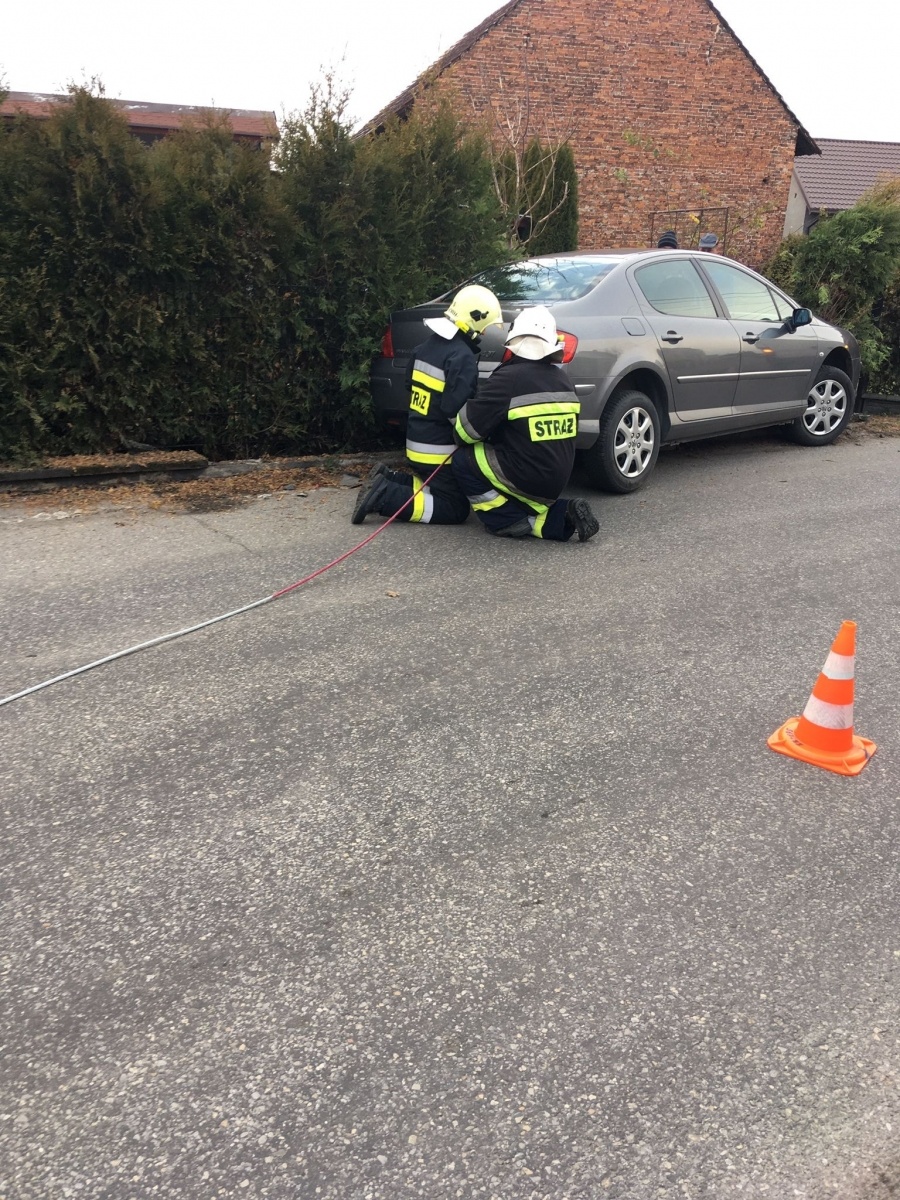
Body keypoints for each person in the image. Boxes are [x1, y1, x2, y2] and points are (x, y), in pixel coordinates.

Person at [352, 284, 503, 525]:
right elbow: (456, 414)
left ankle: (390, 479)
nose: (484, 333)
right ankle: (384, 496)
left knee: (439, 488)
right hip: (438, 452)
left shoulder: (425, 347)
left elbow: (410, 386)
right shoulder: (461, 357)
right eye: (485, 327)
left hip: (416, 442)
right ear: (474, 320)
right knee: (454, 507)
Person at [451, 306, 599, 543]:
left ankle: (504, 519)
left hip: (526, 478)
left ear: (514, 340)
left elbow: (464, 433)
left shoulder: (508, 378)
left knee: (462, 460)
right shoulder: (563, 379)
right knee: (529, 508)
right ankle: (561, 515)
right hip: (555, 483)